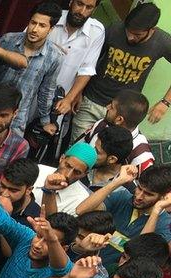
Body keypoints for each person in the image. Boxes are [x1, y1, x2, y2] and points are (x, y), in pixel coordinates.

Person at [70, 2, 171, 144]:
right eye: (128, 30)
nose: (130, 37)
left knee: (107, 155)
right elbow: (89, 61)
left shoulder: (162, 42)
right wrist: (78, 91)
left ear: (152, 30)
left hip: (123, 113)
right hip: (91, 101)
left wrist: (165, 102)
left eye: (137, 34)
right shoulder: (115, 28)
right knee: (78, 151)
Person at [0, 2, 64, 135]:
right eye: (33, 23)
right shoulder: (8, 40)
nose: (35, 29)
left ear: (51, 29)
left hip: (17, 121)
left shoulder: (54, 57)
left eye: (42, 25)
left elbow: (46, 92)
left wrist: (45, 121)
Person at [76, 165, 171, 266]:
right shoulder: (123, 197)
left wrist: (157, 210)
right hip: (83, 262)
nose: (139, 196)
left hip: (112, 277)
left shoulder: (165, 224)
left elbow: (139, 253)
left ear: (164, 196)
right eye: (139, 188)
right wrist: (118, 181)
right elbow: (81, 210)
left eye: (148, 194)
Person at [48, 0, 105, 130]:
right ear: (71, 2)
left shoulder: (96, 31)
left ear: (94, 10)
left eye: (89, 7)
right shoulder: (52, 17)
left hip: (60, 99)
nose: (82, 11)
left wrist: (69, 98)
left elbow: (87, 69)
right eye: (79, 4)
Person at [75, 89, 155, 172]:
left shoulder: (141, 154)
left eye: (112, 107)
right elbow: (78, 149)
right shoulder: (101, 125)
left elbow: (146, 184)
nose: (107, 107)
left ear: (119, 120)